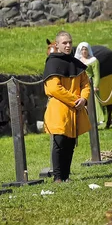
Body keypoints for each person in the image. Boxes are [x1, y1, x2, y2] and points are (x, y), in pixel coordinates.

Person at [43, 31, 91, 182]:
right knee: (59, 142)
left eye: (70, 42)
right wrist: (75, 99)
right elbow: (53, 88)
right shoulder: (52, 63)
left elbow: (85, 84)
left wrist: (83, 99)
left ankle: (66, 175)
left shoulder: (76, 63)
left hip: (75, 108)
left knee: (70, 143)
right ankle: (58, 177)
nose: (68, 45)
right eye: (64, 43)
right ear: (57, 45)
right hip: (59, 108)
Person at [74, 42, 104, 125]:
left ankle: (99, 120)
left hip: (91, 83)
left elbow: (97, 74)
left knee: (95, 102)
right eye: (82, 50)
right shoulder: (77, 61)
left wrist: (96, 85)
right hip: (81, 84)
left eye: (85, 49)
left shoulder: (93, 61)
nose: (84, 51)